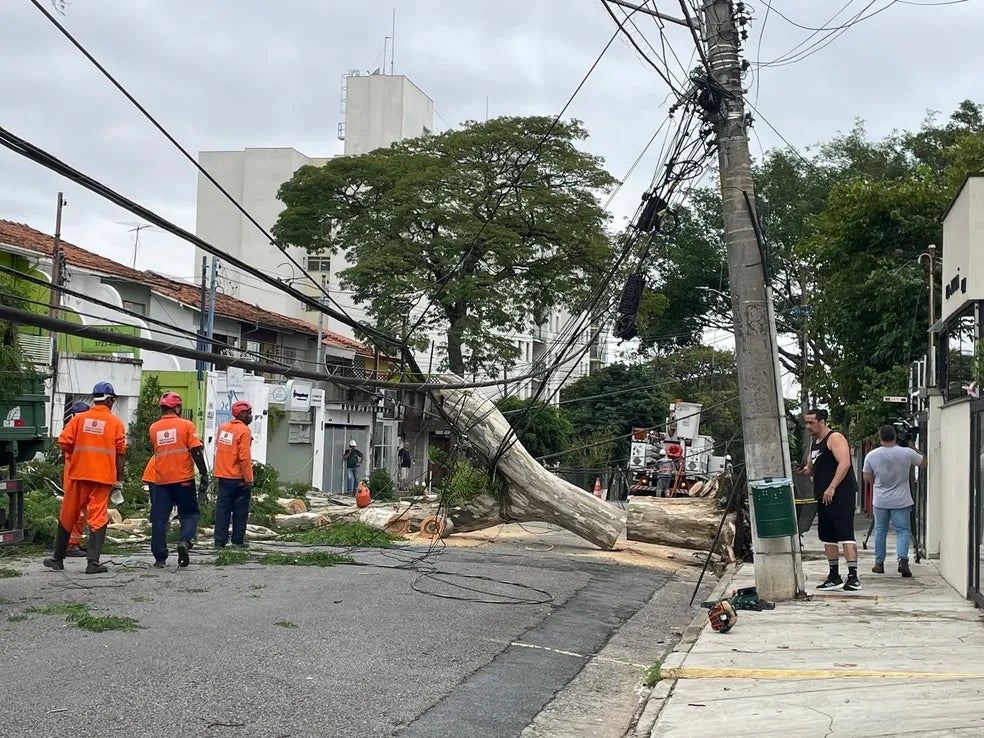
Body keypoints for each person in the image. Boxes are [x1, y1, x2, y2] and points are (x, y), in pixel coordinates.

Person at [43, 382, 126, 574]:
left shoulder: (79, 420)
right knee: (97, 517)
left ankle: (57, 558)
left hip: (78, 475)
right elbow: (120, 455)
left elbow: (63, 442)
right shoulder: (115, 424)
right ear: (110, 400)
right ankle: (92, 563)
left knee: (68, 514)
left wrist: (80, 456)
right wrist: (119, 481)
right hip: (102, 478)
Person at [801, 408, 860, 592]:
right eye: (807, 422)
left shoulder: (835, 438)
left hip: (841, 493)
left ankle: (853, 576)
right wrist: (803, 471)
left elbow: (845, 463)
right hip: (822, 494)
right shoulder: (814, 442)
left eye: (812, 422)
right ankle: (834, 575)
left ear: (823, 421)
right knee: (827, 535)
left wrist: (833, 486)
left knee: (845, 534)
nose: (808, 426)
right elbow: (811, 467)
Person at [149, 392, 209, 568]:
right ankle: (185, 541)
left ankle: (160, 558)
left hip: (161, 481)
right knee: (190, 513)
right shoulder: (186, 425)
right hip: (183, 480)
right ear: (177, 408)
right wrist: (204, 473)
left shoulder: (153, 428)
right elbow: (196, 451)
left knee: (159, 518)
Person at [862, 424, 926, 578]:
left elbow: (867, 477)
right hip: (902, 500)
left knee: (880, 531)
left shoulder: (872, 455)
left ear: (880, 437)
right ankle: (903, 560)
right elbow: (923, 463)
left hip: (881, 500)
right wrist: (913, 447)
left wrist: (879, 482)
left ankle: (879, 563)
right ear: (895, 436)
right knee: (903, 531)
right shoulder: (907, 453)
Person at [213, 400, 254, 549]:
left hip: (223, 476)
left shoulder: (223, 428)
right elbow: (244, 457)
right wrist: (249, 479)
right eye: (249, 413)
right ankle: (237, 541)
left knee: (222, 510)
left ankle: (219, 541)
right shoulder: (244, 431)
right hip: (238, 478)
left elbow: (220, 449)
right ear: (242, 414)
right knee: (240, 511)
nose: (251, 416)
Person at [64, 400, 91, 558]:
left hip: (77, 475)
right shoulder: (76, 429)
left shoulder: (74, 427)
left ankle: (74, 542)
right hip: (74, 477)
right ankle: (70, 545)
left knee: (81, 513)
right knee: (76, 513)